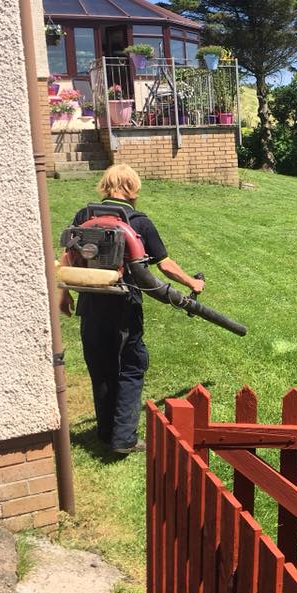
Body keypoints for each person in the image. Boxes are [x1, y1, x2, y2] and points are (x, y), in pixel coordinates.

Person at [60, 164, 205, 455]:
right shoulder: (138, 222)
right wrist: (192, 282)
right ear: (133, 189)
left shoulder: (84, 216)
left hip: (90, 303)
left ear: (105, 187)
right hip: (124, 306)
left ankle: (104, 433)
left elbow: (67, 255)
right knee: (131, 367)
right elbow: (164, 264)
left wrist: (63, 294)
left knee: (100, 368)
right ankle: (124, 439)